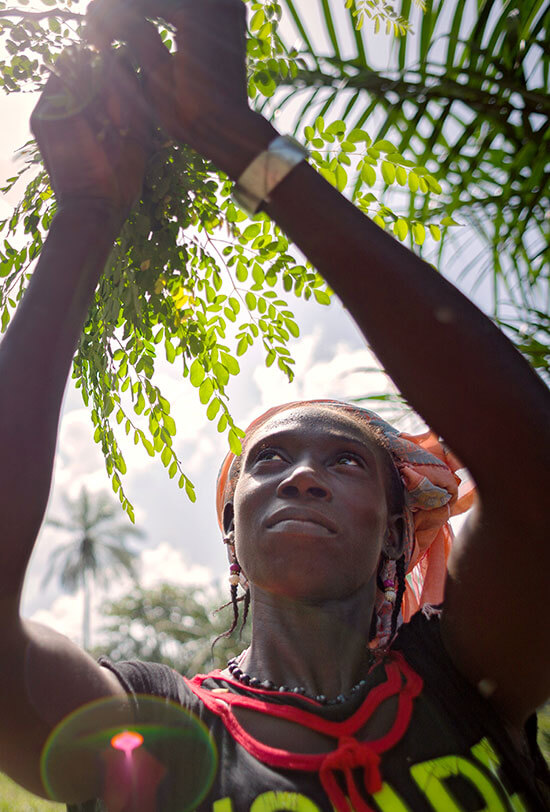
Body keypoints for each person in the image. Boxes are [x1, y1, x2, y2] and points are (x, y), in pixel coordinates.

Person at [0, 1, 548, 809]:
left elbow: (536, 473)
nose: (301, 476)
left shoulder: (470, 677)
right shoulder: (162, 735)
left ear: (399, 528)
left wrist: (246, 145)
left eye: (347, 460)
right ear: (232, 533)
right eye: (270, 461)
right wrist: (84, 214)